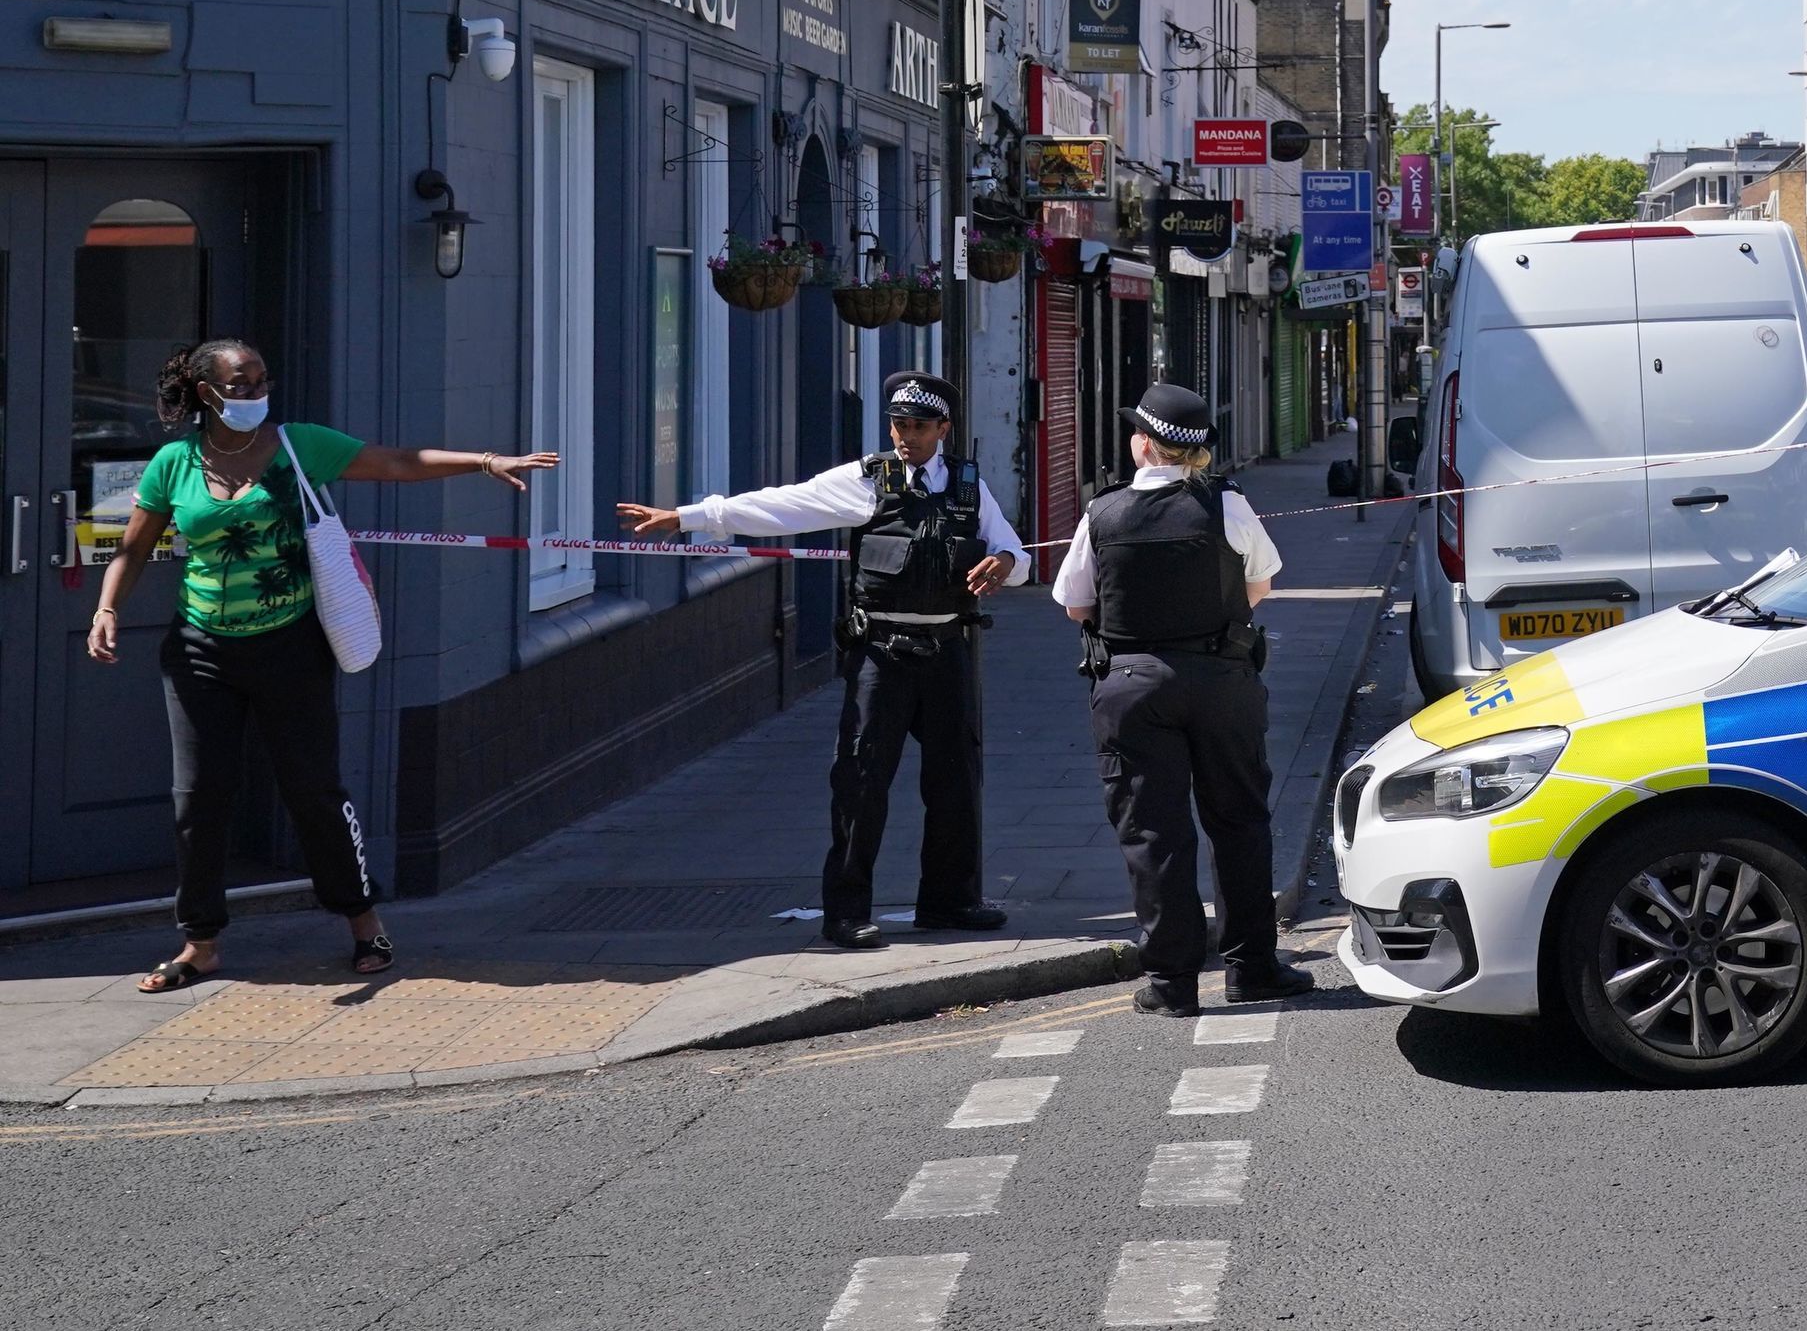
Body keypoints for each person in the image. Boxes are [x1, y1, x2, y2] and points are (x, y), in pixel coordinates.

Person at [88, 339, 558, 992]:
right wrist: (107, 607)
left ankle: (365, 923)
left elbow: (395, 461)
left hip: (290, 647)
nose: (255, 392)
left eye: (260, 379)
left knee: (313, 789)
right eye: (240, 383)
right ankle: (200, 941)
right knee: (198, 797)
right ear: (206, 393)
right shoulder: (174, 462)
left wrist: (482, 460)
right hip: (200, 651)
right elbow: (132, 549)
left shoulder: (298, 444)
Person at [619, 371, 1025, 950]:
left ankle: (950, 901)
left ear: (944, 428)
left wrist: (1007, 563)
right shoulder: (867, 479)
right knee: (861, 783)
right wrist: (689, 517)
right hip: (881, 653)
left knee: (957, 781)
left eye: (920, 426)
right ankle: (846, 911)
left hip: (948, 649)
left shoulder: (968, 485)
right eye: (899, 425)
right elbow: (784, 507)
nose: (907, 436)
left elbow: (1012, 547)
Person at [1054, 381, 1315, 1016]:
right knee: (1239, 822)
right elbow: (1262, 584)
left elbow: (1074, 603)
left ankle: (1172, 984)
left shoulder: (1103, 513)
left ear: (1143, 444)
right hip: (1223, 678)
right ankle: (1251, 968)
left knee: (1153, 831)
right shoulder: (1227, 503)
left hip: (1133, 686)